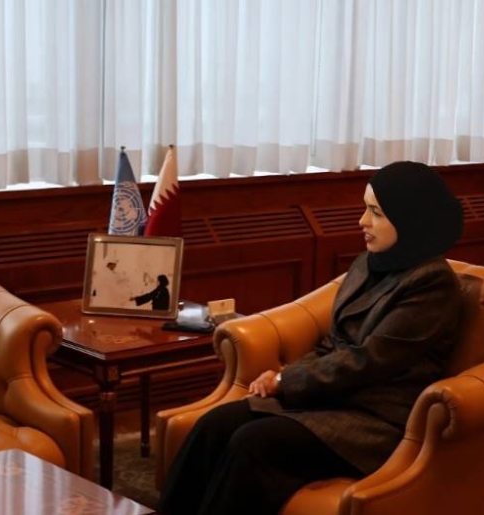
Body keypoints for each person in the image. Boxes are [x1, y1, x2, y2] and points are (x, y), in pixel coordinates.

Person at [157, 161, 465, 515]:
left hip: (375, 419)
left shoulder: (432, 284)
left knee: (252, 442)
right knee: (215, 424)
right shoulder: (369, 263)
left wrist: (285, 382)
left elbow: (369, 361)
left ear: (409, 218)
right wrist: (286, 375)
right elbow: (334, 342)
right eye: (365, 208)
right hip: (332, 396)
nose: (362, 221)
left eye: (376, 213)